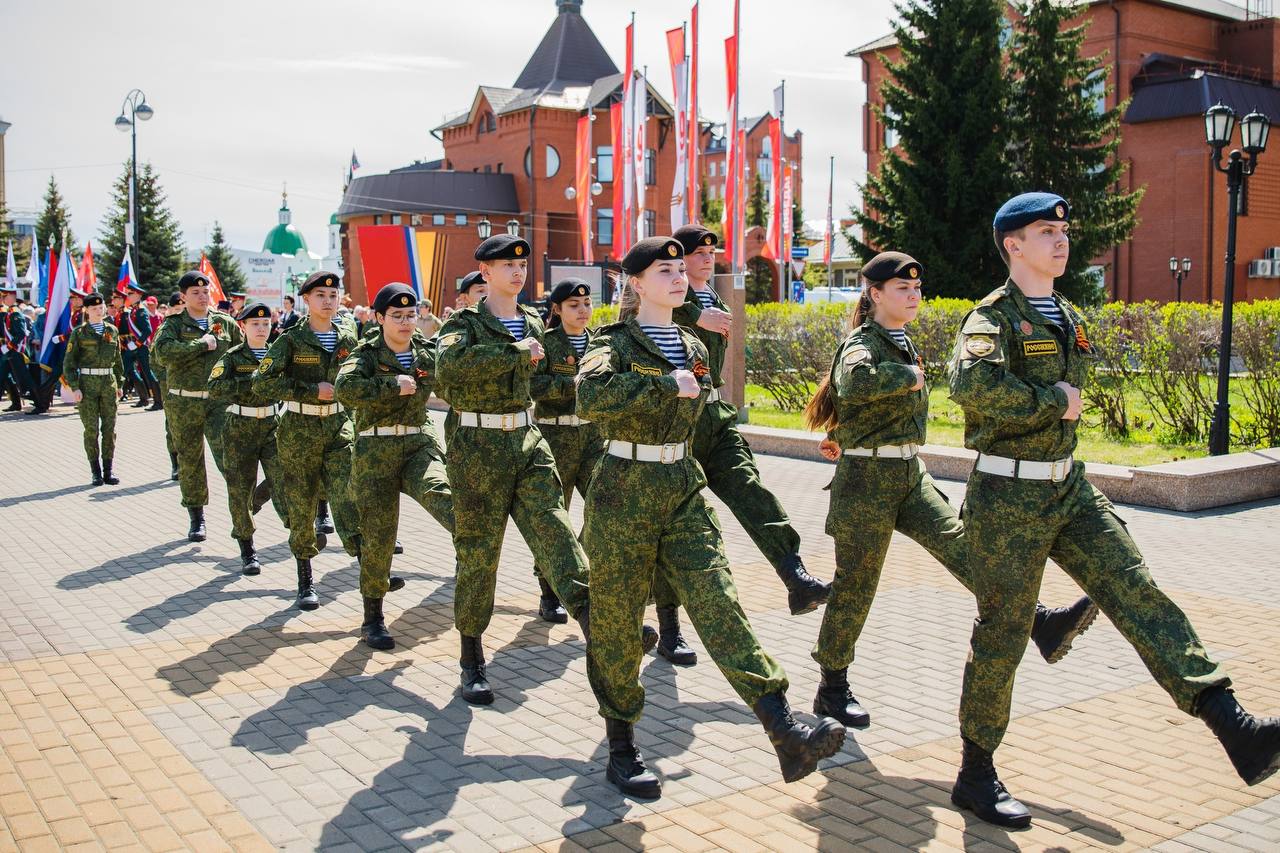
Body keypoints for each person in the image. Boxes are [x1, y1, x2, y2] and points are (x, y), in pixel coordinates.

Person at [945, 192, 1280, 828]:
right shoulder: (992, 317)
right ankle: (976, 774)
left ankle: (1236, 727)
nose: (1062, 240)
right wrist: (1053, 400)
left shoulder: (1066, 312)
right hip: (1008, 496)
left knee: (1136, 590)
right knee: (1003, 635)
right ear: (1013, 245)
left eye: (1063, 230)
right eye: (1046, 231)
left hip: (1069, 488)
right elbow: (970, 387)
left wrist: (1059, 404)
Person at [577, 236, 845, 799]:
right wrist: (660, 384)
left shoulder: (694, 347)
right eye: (664, 270)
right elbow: (592, 394)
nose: (678, 277)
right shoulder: (613, 341)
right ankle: (622, 745)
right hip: (623, 492)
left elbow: (700, 404)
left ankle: (784, 728)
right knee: (618, 621)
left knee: (719, 601)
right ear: (635, 282)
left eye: (681, 269)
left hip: (681, 488)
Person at [802, 251, 1096, 732]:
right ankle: (832, 685)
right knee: (857, 586)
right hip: (866, 484)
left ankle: (1040, 621)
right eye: (902, 288)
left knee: (963, 546)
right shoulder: (863, 342)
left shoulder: (902, 339)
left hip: (908, 475)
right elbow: (853, 383)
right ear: (875, 294)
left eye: (917, 288)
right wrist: (908, 377)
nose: (913, 295)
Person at [435, 235, 646, 705]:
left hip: (528, 440)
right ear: (485, 272)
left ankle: (596, 624)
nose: (517, 271)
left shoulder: (533, 320)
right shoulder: (467, 324)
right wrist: (512, 353)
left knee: (555, 531)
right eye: (506, 265)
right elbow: (446, 367)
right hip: (477, 446)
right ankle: (472, 658)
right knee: (479, 554)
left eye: (522, 264)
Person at [648, 225, 830, 667]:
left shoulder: (715, 298)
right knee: (672, 526)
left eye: (711, 251)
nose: (707, 258)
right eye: (697, 253)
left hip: (715, 418)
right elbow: (638, 323)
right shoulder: (663, 298)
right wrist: (692, 315)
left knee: (750, 490)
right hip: (677, 426)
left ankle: (794, 574)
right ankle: (670, 627)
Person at [335, 283, 455, 650]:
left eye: (411, 315)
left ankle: (469, 568)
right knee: (379, 536)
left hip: (419, 443)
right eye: (397, 316)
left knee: (450, 501)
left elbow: (454, 381)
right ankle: (373, 617)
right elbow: (345, 387)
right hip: (375, 449)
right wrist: (390, 385)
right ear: (379, 318)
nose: (406, 322)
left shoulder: (426, 351)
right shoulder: (367, 353)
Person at [253, 271, 361, 610]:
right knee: (301, 506)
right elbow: (261, 382)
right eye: (320, 295)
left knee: (348, 498)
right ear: (307, 300)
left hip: (339, 429)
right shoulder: (291, 339)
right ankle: (305, 579)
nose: (328, 301)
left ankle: (371, 568)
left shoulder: (347, 335)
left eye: (333, 294)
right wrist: (309, 390)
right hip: (299, 430)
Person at [528, 279, 602, 623]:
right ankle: (550, 592)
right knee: (554, 519)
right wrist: (568, 385)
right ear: (557, 309)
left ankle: (580, 569)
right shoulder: (546, 343)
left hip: (592, 438)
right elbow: (532, 385)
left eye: (586, 304)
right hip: (554, 437)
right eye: (574, 305)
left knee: (606, 503)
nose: (583, 311)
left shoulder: (600, 343)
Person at [152, 271, 243, 541]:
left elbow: (244, 353)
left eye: (205, 292)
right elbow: (162, 354)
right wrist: (199, 345)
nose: (202, 297)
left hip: (218, 403)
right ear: (183, 297)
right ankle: (197, 518)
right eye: (195, 293)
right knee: (190, 461)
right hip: (185, 402)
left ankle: (242, 511)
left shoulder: (225, 323)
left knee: (230, 457)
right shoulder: (173, 325)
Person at [207, 301, 290, 575]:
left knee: (283, 477)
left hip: (271, 423)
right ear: (242, 326)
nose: (262, 329)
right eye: (255, 324)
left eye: (266, 324)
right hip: (239, 428)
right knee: (240, 488)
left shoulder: (276, 355)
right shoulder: (232, 357)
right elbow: (215, 387)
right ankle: (247, 548)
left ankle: (295, 528)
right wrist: (250, 382)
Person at [62, 293, 124, 486]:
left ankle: (108, 470)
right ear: (87, 310)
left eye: (101, 307)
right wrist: (75, 387)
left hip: (108, 383)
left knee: (109, 428)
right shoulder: (79, 333)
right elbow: (69, 363)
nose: (99, 310)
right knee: (91, 429)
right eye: (94, 308)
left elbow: (118, 361)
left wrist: (119, 385)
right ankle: (95, 472)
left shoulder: (112, 331)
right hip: (87, 384)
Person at [124, 282, 162, 409]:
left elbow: (147, 330)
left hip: (141, 346)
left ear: (138, 295)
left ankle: (158, 402)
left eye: (130, 293)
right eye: (128, 293)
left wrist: (138, 343)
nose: (128, 296)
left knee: (148, 372)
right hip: (134, 346)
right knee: (129, 369)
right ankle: (143, 399)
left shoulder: (141, 310)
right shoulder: (134, 310)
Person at [1, 282, 37, 412]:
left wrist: (9, 346)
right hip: (12, 351)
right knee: (12, 377)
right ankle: (22, 403)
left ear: (11, 297)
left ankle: (39, 403)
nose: (3, 299)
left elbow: (21, 333)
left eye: (5, 297)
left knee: (24, 378)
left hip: (17, 351)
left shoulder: (15, 313)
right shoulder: (11, 311)